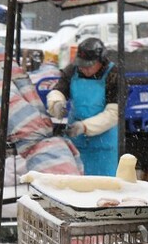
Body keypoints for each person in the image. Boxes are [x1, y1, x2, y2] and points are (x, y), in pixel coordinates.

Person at [45, 37, 121, 176]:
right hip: (76, 143)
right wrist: (56, 103)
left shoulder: (114, 75)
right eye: (81, 65)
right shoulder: (72, 70)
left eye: (88, 66)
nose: (83, 69)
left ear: (101, 61)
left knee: (103, 188)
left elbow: (113, 114)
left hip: (104, 147)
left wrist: (84, 127)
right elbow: (59, 90)